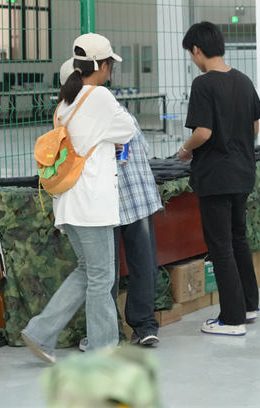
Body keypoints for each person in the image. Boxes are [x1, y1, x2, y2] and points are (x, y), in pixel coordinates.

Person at [21, 33, 135, 363]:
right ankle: (103, 349)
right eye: (110, 64)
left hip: (67, 202)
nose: (110, 70)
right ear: (100, 66)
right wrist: (108, 138)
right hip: (92, 206)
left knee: (87, 271)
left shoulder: (65, 104)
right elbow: (128, 128)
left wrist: (105, 138)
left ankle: (40, 332)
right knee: (101, 278)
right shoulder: (99, 97)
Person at [61, 58, 165, 349]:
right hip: (131, 197)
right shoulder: (108, 107)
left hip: (110, 201)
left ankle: (112, 334)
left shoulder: (80, 115)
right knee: (137, 263)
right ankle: (140, 327)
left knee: (104, 271)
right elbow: (140, 145)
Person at [178, 21, 260, 336]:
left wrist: (185, 149)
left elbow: (203, 132)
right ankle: (249, 305)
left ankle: (232, 319)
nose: (193, 60)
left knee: (220, 246)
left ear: (197, 49)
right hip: (242, 173)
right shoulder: (243, 80)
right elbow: (255, 127)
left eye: (191, 54)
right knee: (238, 239)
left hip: (215, 176)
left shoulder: (203, 84)